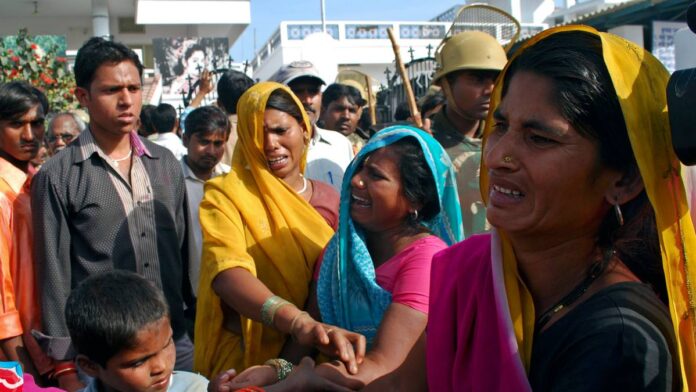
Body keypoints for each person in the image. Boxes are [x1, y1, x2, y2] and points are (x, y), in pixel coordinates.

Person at [366, 25, 696, 392]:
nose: (496, 157)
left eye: (539, 138)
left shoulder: (621, 342)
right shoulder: (478, 273)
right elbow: (400, 385)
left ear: (624, 180)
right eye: (501, 126)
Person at [231, 126, 464, 390]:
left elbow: (385, 366)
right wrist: (274, 372)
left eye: (376, 176)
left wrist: (305, 378)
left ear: (415, 200)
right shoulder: (340, 252)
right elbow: (308, 337)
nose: (356, 180)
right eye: (361, 167)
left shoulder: (426, 257)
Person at [31, 37, 193, 391]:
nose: (127, 100)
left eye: (134, 88)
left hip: (172, 341)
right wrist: (65, 365)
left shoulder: (165, 163)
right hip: (108, 355)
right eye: (111, 90)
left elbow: (181, 251)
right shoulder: (58, 175)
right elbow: (53, 276)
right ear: (83, 97)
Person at [193, 82, 365, 379]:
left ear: (304, 129)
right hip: (246, 362)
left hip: (320, 355)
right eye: (257, 133)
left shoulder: (332, 200)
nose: (270, 143)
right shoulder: (225, 195)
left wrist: (297, 349)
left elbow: (337, 282)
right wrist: (297, 322)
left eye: (280, 130)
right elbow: (227, 273)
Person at [65, 271, 209, 392]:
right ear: (90, 366)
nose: (161, 367)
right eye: (138, 362)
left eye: (166, 345)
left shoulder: (195, 387)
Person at [431, 31, 507, 237]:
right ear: (446, 85)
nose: (490, 89)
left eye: (496, 79)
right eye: (477, 79)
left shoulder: (508, 143)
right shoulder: (425, 147)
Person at [0, 81, 52, 380]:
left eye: (37, 123)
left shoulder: (32, 181)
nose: (30, 135)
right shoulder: (4, 195)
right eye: (16, 124)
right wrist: (24, 373)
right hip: (21, 356)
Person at [270, 61, 354, 194]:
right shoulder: (269, 148)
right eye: (298, 91)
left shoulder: (340, 144)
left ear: (321, 95)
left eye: (313, 91)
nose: (307, 100)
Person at [180, 106, 231, 295]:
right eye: (204, 142)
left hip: (227, 289)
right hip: (188, 292)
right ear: (185, 140)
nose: (211, 151)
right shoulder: (171, 180)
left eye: (218, 144)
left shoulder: (231, 180)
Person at [181, 69, 255, 166]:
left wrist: (202, 92)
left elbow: (186, 119)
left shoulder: (212, 128)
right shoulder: (258, 130)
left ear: (219, 103)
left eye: (218, 143)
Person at [318, 83, 368, 153]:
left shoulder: (368, 149)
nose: (346, 116)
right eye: (339, 109)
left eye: (352, 110)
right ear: (322, 112)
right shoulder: (310, 145)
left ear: (359, 114)